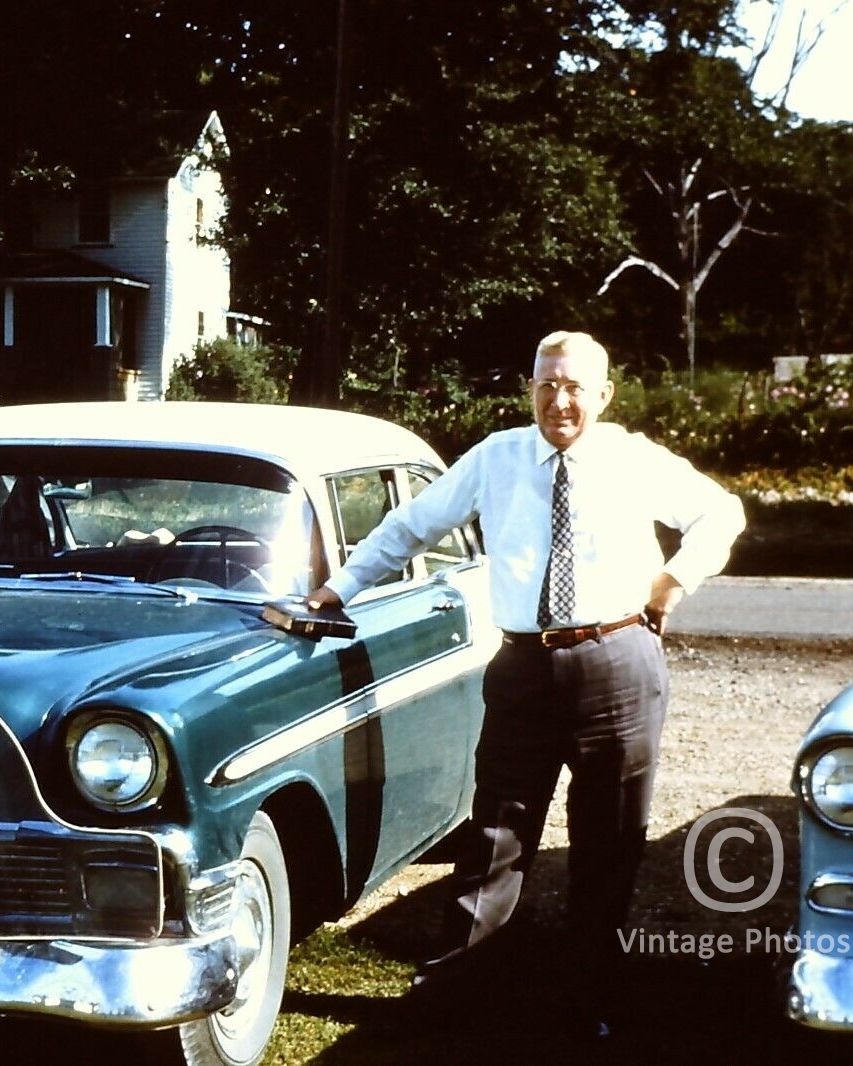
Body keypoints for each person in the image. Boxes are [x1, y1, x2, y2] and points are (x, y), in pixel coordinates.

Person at [306, 330, 745, 1035]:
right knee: (495, 835)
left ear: (603, 394)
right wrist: (338, 589)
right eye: (546, 383)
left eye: (574, 386)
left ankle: (586, 1000)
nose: (558, 399)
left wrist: (674, 580)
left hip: (617, 661)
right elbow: (410, 527)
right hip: (521, 670)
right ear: (529, 388)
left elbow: (721, 512)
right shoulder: (496, 459)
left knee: (608, 841)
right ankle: (453, 996)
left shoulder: (634, 460)